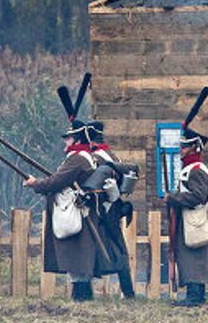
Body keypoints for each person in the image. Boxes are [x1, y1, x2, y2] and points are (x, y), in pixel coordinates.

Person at [23, 120, 102, 301]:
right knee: (78, 256)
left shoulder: (77, 158)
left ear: (76, 140)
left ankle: (80, 297)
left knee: (77, 256)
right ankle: (83, 296)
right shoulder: (83, 156)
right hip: (80, 211)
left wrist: (36, 184)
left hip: (75, 212)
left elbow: (57, 181)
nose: (65, 142)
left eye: (69, 138)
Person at [164, 127, 208, 307]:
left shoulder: (196, 170)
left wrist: (173, 198)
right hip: (187, 218)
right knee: (189, 257)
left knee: (193, 257)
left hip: (192, 218)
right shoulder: (191, 168)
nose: (181, 150)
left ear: (194, 148)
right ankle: (195, 296)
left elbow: (198, 196)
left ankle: (195, 297)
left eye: (185, 147)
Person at [87, 121, 136, 299]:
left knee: (116, 249)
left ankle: (128, 292)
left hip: (105, 209)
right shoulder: (110, 154)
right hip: (111, 207)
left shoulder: (98, 158)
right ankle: (128, 292)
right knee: (117, 249)